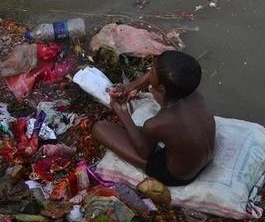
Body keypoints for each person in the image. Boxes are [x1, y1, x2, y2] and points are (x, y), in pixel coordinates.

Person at [92, 51, 215, 186]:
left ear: (162, 89)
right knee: (144, 132)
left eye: (152, 72)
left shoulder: (156, 124)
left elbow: (144, 153)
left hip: (180, 175)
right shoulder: (194, 94)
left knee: (100, 128)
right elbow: (162, 81)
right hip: (203, 158)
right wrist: (134, 85)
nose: (149, 73)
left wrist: (122, 111)